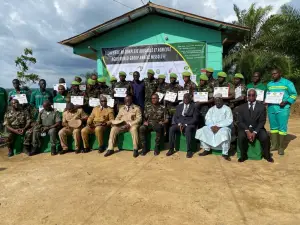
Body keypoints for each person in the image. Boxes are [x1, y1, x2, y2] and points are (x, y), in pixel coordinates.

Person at [237, 89, 274, 163]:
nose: (251, 97)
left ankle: (267, 155)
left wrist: (254, 132)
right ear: (247, 96)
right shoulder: (241, 107)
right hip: (245, 129)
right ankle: (243, 156)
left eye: (253, 95)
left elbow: (262, 121)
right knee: (241, 137)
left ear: (256, 96)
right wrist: (247, 131)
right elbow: (240, 122)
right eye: (249, 95)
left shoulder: (261, 107)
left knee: (265, 137)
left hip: (258, 129)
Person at [267, 69, 297, 155]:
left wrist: (286, 102)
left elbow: (294, 94)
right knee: (273, 128)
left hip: (283, 109)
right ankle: (274, 145)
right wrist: (266, 100)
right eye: (272, 74)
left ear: (280, 73)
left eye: (275, 73)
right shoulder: (269, 84)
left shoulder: (287, 83)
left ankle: (281, 147)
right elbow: (268, 95)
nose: (273, 75)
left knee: (282, 128)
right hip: (271, 108)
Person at [195, 94, 233, 161]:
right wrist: (212, 126)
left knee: (225, 133)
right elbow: (207, 119)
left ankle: (225, 153)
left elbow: (229, 120)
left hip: (223, 127)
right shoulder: (211, 109)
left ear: (222, 100)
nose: (217, 102)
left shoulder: (227, 109)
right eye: (216, 101)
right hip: (212, 127)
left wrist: (219, 126)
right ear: (214, 102)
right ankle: (207, 149)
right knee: (202, 130)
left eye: (219, 101)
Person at [167, 93, 199, 158]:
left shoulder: (194, 107)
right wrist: (179, 124)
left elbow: (195, 119)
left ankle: (189, 151)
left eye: (187, 98)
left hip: (189, 124)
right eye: (184, 98)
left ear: (190, 99)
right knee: (172, 129)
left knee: (188, 129)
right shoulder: (179, 106)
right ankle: (171, 149)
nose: (186, 99)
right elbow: (175, 117)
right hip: (180, 124)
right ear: (183, 99)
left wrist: (186, 124)